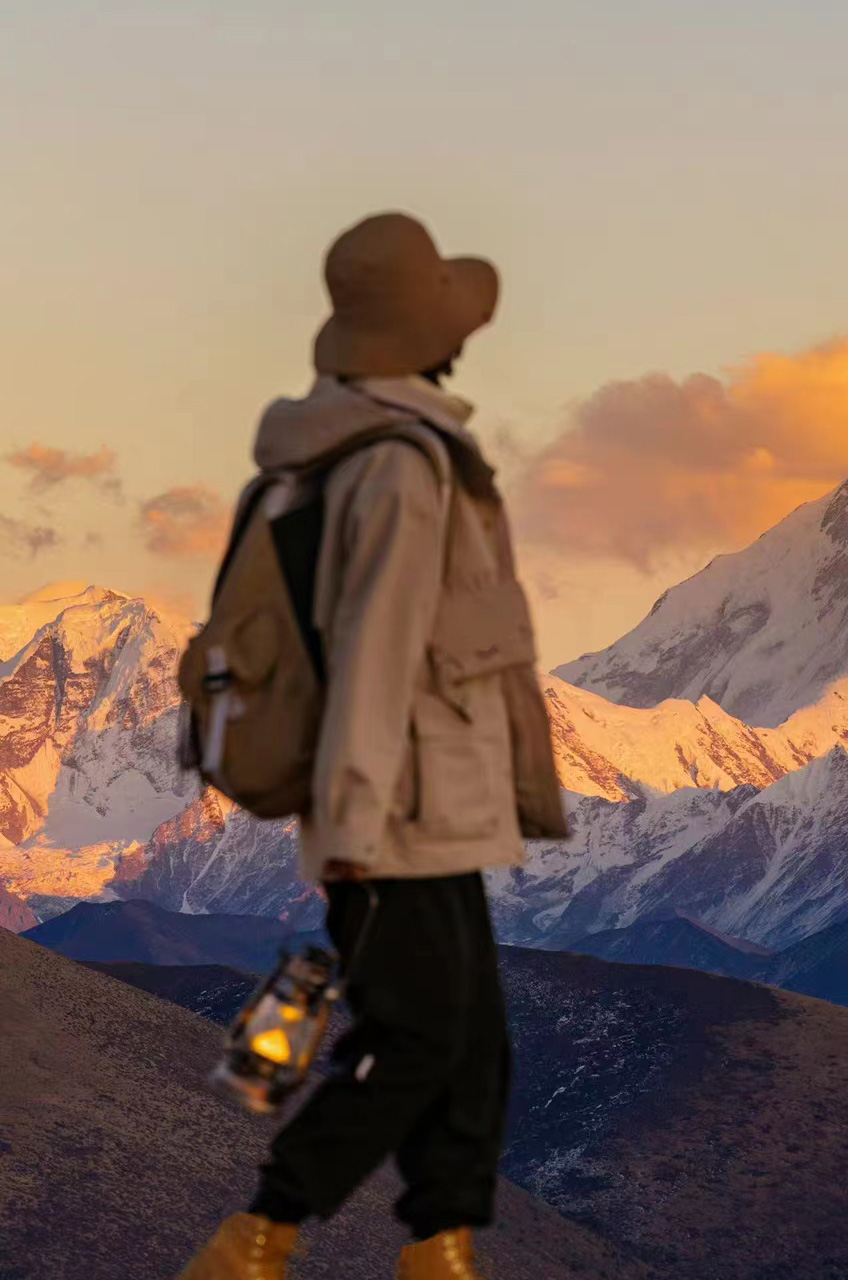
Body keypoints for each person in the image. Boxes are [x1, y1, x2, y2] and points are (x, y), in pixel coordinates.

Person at [179, 212, 569, 1280]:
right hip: (392, 808)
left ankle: (442, 1248)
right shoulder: (398, 467)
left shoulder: (350, 453)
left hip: (431, 807)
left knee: (475, 1041)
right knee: (419, 1041)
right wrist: (350, 822)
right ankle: (258, 1236)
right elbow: (377, 648)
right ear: (427, 336)